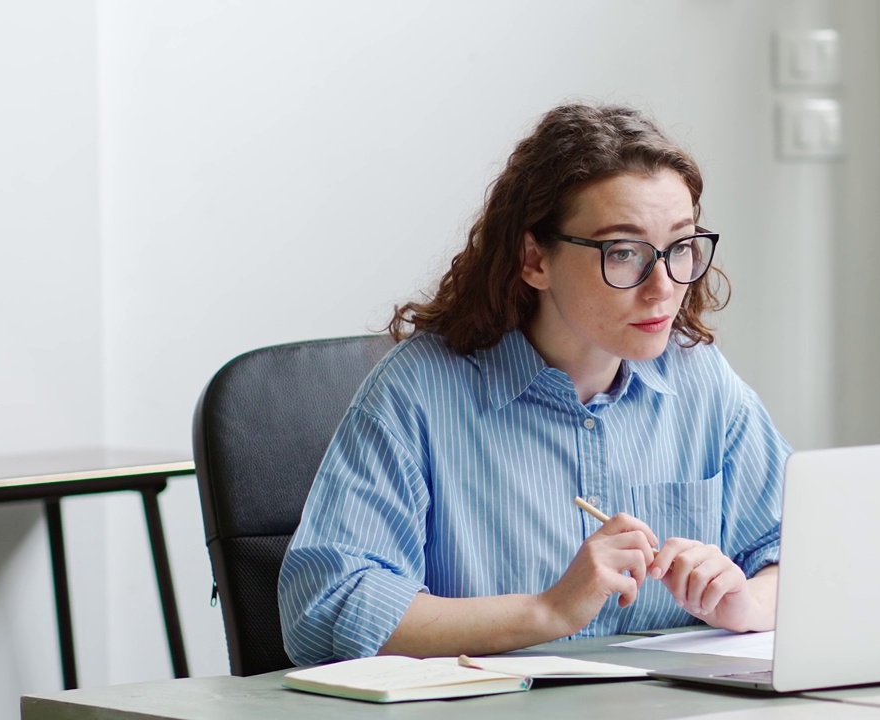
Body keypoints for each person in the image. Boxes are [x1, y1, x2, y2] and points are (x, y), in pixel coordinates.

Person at [278, 102, 791, 665]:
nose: (663, 287)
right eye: (623, 253)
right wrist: (549, 611)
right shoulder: (417, 393)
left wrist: (746, 605)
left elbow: (807, 557)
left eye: (680, 247)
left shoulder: (701, 380)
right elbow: (327, 608)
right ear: (534, 259)